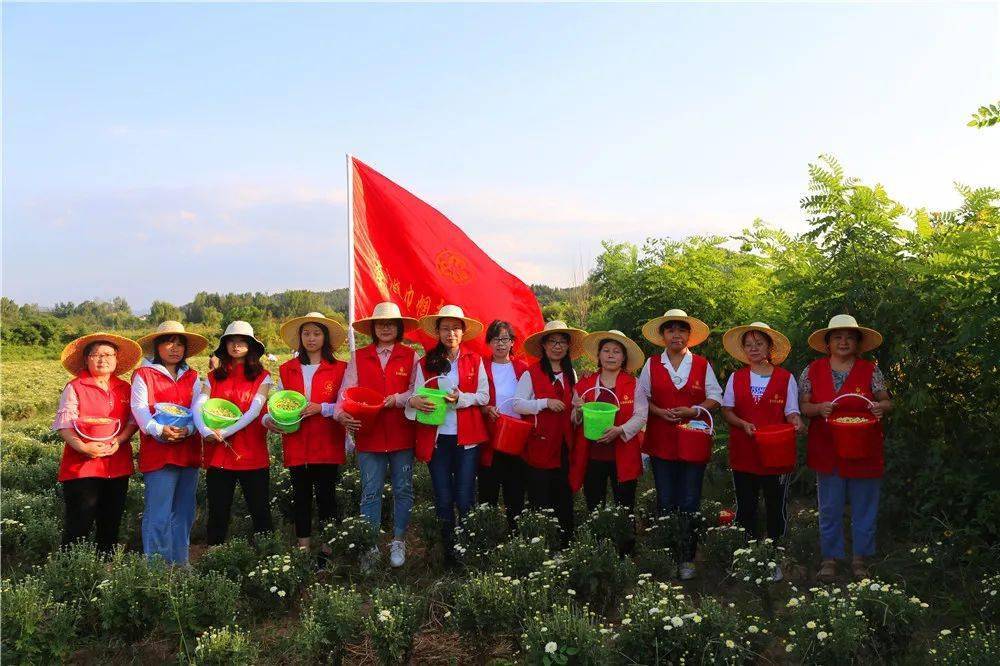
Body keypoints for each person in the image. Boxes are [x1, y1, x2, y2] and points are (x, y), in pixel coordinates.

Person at [800, 314, 893, 582]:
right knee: (830, 506)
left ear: (858, 343)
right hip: (826, 448)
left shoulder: (870, 370)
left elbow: (887, 402)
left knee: (865, 504)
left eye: (849, 337)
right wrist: (818, 408)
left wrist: (879, 407)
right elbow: (804, 406)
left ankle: (859, 558)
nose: (843, 342)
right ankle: (829, 558)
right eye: (837, 337)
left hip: (865, 447)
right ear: (827, 343)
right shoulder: (812, 370)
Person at [637, 309, 723, 580]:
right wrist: (659, 412)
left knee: (689, 499)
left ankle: (687, 556)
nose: (676, 334)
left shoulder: (701, 364)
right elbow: (642, 399)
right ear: (663, 336)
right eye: (670, 330)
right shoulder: (652, 365)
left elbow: (716, 397)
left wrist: (695, 410)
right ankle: (666, 553)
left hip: (693, 442)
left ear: (689, 335)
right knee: (665, 499)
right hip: (662, 441)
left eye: (681, 330)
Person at [720, 322, 805, 582]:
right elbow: (727, 410)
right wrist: (742, 423)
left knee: (775, 505)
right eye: (749, 345)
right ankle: (746, 556)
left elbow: (791, 410)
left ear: (770, 347)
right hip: (745, 452)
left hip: (776, 453)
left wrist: (796, 421)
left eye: (759, 344)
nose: (754, 348)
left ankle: (773, 557)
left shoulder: (785, 378)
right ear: (743, 350)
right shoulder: (737, 377)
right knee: (745, 506)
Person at [338, 301, 420, 569]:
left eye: (390, 324)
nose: (385, 328)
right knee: (370, 491)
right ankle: (369, 546)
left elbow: (416, 392)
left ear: (399, 328)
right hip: (369, 435)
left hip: (401, 434)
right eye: (380, 324)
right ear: (372, 328)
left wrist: (396, 400)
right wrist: (342, 414)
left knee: (403, 489)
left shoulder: (411, 356)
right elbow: (346, 391)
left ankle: (398, 540)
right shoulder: (359, 356)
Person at [265, 313, 355, 555]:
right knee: (300, 496)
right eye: (306, 334)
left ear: (325, 338)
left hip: (326, 440)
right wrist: (269, 419)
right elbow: (278, 401)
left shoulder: (340, 369)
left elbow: (344, 402)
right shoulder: (287, 369)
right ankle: (303, 547)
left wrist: (321, 408)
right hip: (296, 440)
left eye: (316, 333)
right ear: (300, 338)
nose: (311, 338)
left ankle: (327, 548)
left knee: (327, 496)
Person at [406, 305, 490, 565]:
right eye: (445, 328)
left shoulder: (475, 361)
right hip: (438, 438)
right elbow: (415, 395)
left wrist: (461, 398)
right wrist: (415, 401)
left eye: (455, 328)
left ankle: (468, 550)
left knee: (465, 498)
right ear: (438, 332)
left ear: (463, 332)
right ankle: (449, 553)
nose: (450, 333)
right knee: (443, 498)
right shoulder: (426, 362)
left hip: (467, 438)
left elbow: (485, 396)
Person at [52, 332, 142, 553]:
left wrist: (120, 440)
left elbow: (133, 421)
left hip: (116, 464)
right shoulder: (75, 387)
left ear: (116, 359)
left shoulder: (124, 388)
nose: (103, 359)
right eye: (96, 355)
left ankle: (104, 569)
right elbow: (65, 425)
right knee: (79, 523)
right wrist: (84, 447)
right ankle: (70, 570)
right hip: (82, 467)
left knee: (110, 522)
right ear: (86, 359)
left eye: (108, 354)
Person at [131, 321, 208, 564]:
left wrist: (189, 428)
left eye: (179, 343)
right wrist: (158, 429)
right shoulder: (144, 374)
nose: (174, 348)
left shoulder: (193, 377)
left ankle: (180, 561)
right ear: (157, 346)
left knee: (184, 511)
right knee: (159, 512)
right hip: (158, 451)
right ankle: (156, 567)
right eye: (168, 342)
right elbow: (139, 408)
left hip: (188, 448)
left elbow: (199, 408)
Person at [193, 321, 273, 545]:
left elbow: (254, 410)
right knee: (218, 510)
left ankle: (267, 554)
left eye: (242, 341)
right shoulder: (213, 377)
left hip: (251, 453)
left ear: (251, 346)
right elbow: (200, 404)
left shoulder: (263, 377)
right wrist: (204, 430)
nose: (236, 345)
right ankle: (215, 556)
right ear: (225, 345)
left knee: (260, 509)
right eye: (231, 341)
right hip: (219, 453)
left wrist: (224, 432)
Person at [513, 320, 587, 545]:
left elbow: (572, 410)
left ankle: (565, 544)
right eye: (553, 342)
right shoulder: (531, 373)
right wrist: (544, 402)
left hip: (564, 445)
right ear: (544, 346)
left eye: (562, 342)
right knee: (540, 497)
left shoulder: (570, 373)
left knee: (563, 496)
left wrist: (579, 411)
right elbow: (517, 404)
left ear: (568, 347)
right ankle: (540, 545)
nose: (558, 346)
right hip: (539, 445)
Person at [569, 330, 647, 515]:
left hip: (623, 454)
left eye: (616, 351)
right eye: (606, 350)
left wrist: (619, 430)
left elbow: (641, 416)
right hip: (593, 456)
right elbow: (574, 419)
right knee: (594, 506)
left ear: (623, 357)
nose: (611, 355)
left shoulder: (634, 384)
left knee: (625, 507)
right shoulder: (585, 384)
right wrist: (578, 411)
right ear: (598, 355)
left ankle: (625, 542)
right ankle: (597, 542)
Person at [478, 320, 529, 532]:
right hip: (489, 439)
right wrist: (486, 409)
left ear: (512, 342)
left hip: (516, 440)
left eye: (505, 339)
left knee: (515, 492)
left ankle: (515, 537)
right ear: (489, 343)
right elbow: (476, 399)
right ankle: (486, 538)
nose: (500, 344)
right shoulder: (481, 366)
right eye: (495, 339)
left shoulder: (523, 369)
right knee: (488, 493)